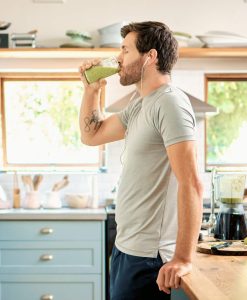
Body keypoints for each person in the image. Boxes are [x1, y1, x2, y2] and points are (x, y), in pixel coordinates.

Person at [79, 21, 203, 300]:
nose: (119, 58)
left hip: (148, 258)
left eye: (125, 50)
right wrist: (91, 90)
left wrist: (183, 258)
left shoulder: (169, 102)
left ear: (150, 56)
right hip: (126, 248)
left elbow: (192, 183)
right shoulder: (140, 102)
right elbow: (92, 135)